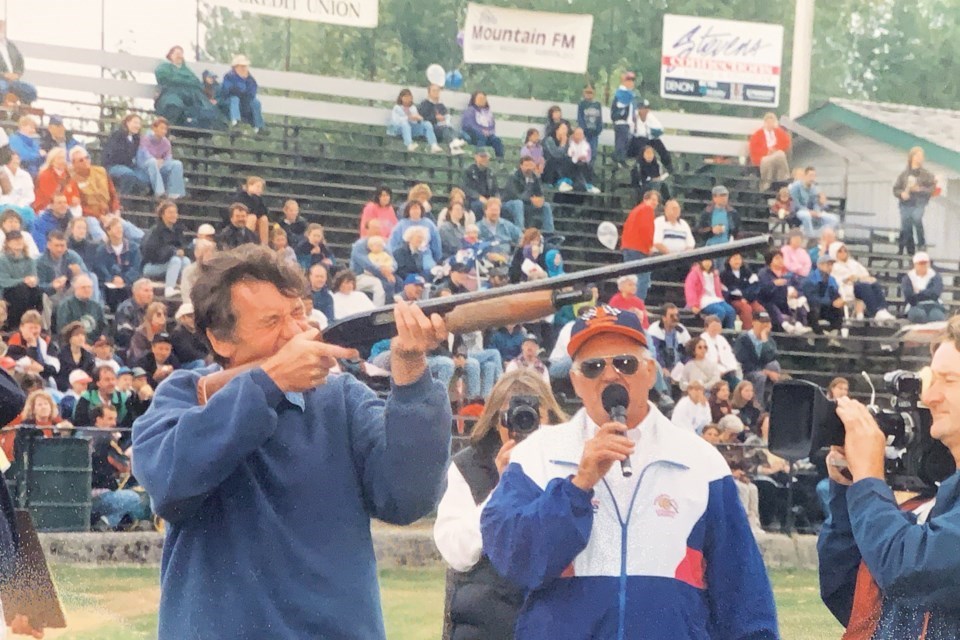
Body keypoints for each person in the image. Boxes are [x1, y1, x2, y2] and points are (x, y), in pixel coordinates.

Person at [131, 243, 451, 638]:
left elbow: (407, 498)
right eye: (271, 322)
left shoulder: (342, 397)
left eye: (297, 313)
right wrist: (268, 384)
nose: (296, 332)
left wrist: (411, 370)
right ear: (219, 340)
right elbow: (167, 482)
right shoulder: (187, 394)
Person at [481, 304, 777, 638]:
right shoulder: (537, 454)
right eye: (593, 367)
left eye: (625, 363)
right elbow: (512, 559)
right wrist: (578, 486)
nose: (610, 375)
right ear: (576, 382)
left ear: (650, 372)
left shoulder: (700, 461)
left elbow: (743, 593)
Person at [819, 316, 960, 638]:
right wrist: (850, 485)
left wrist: (869, 476)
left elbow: (911, 572)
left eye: (949, 381)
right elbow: (847, 594)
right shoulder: (937, 504)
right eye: (932, 380)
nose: (930, 397)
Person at [435, 369, 567, 640]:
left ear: (550, 419)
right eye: (512, 417)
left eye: (531, 417)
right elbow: (456, 552)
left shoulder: (572, 464)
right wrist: (500, 493)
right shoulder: (469, 466)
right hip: (486, 622)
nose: (521, 428)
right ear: (495, 420)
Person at [89, 404, 151, 532]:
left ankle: (117, 523)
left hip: (83, 497)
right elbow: (124, 466)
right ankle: (105, 523)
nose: (114, 423)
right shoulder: (105, 438)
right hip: (98, 497)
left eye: (114, 419)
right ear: (98, 420)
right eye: (109, 419)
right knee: (134, 498)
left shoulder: (83, 434)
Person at [154, 45, 227, 130]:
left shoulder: (187, 70)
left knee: (206, 107)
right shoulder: (164, 66)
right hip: (171, 93)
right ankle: (170, 130)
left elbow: (196, 82)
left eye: (181, 54)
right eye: (177, 53)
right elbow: (165, 79)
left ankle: (206, 133)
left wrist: (182, 80)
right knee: (173, 104)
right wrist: (183, 81)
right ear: (170, 55)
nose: (180, 56)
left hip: (191, 95)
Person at [829, 242, 897, 322]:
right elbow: (848, 278)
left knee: (875, 284)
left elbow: (864, 275)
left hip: (859, 286)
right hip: (846, 289)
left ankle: (882, 310)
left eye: (845, 251)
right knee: (863, 286)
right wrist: (860, 278)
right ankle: (875, 312)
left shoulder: (854, 263)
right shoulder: (835, 266)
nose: (843, 253)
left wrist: (867, 279)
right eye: (840, 251)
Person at [892, 146, 937, 255]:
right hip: (905, 204)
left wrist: (920, 189)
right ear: (912, 157)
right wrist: (901, 194)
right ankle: (910, 251)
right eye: (918, 156)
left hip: (919, 203)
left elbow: (932, 189)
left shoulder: (926, 174)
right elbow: (895, 189)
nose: (920, 158)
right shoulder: (904, 174)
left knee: (917, 218)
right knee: (906, 226)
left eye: (922, 156)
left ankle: (921, 245)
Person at [141, 201, 190, 298]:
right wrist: (173, 252)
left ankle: (186, 288)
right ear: (162, 215)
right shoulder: (155, 231)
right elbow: (151, 253)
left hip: (171, 264)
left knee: (186, 261)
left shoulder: (178, 230)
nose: (173, 215)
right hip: (152, 266)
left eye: (175, 212)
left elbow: (183, 246)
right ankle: (169, 288)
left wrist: (182, 251)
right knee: (175, 260)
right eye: (170, 212)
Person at [733, 312, 781, 407]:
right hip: (749, 371)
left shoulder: (769, 340)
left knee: (774, 365)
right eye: (762, 323)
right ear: (754, 322)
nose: (765, 326)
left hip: (763, 369)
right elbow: (742, 359)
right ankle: (758, 405)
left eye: (767, 323)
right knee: (760, 377)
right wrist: (764, 372)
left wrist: (764, 341)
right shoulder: (744, 338)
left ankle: (774, 400)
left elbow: (772, 357)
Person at [758, 249, 811, 335]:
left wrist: (797, 293)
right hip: (770, 301)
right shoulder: (764, 273)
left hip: (787, 302)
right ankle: (785, 325)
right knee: (771, 305)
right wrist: (774, 284)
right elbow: (764, 290)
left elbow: (799, 288)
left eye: (781, 258)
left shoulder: (788, 274)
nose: (780, 261)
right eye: (777, 258)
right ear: (770, 261)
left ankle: (799, 324)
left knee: (801, 300)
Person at [93, 216, 141, 309]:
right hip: (108, 286)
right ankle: (102, 307)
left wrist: (124, 279)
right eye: (116, 228)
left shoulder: (133, 248)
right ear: (109, 231)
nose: (119, 230)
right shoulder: (101, 250)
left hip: (128, 284)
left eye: (120, 228)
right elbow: (100, 268)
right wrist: (112, 279)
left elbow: (136, 267)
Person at [621, 190, 660, 300]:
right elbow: (646, 230)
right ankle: (638, 303)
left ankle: (627, 301)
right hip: (639, 248)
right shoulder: (647, 210)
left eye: (656, 201)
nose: (655, 203)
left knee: (630, 278)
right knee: (642, 278)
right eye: (653, 200)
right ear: (645, 200)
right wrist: (649, 247)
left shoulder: (635, 210)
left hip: (628, 247)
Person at [0, 231, 41, 330]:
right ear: (8, 243)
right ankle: (15, 325)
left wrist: (33, 281)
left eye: (20, 240)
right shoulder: (2, 260)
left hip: (26, 290)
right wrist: (23, 280)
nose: (18, 242)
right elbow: (4, 281)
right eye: (15, 240)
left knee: (37, 291)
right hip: (7, 292)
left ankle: (34, 323)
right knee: (21, 290)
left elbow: (34, 276)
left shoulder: (29, 260)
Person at [501, 156, 554, 233]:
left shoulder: (535, 177)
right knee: (518, 203)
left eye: (531, 165)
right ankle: (520, 231)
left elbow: (540, 193)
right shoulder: (513, 177)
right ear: (521, 166)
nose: (529, 168)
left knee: (546, 205)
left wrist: (540, 200)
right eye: (526, 165)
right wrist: (531, 199)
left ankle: (549, 232)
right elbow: (516, 196)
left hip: (527, 203)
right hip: (510, 203)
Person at [138, 117, 186, 199]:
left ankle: (174, 193)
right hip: (145, 164)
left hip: (160, 164)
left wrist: (163, 161)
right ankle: (159, 192)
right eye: (161, 128)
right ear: (154, 128)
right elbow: (144, 153)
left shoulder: (166, 142)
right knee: (152, 161)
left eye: (165, 129)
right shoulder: (145, 138)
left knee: (177, 164)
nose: (164, 131)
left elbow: (168, 157)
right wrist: (156, 161)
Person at [72, 365, 134, 429]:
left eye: (113, 379)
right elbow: (80, 424)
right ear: (98, 383)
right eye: (107, 380)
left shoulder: (123, 398)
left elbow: (128, 424)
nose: (111, 383)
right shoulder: (87, 397)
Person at [103, 114, 151, 195]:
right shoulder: (117, 135)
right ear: (127, 123)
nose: (137, 126)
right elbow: (113, 154)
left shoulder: (136, 139)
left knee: (145, 178)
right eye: (135, 123)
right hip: (113, 165)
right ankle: (122, 201)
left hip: (129, 166)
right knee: (129, 175)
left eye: (139, 124)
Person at [788, 167, 841, 239]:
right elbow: (796, 203)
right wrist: (809, 211)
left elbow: (815, 202)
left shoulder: (814, 188)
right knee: (806, 215)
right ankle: (811, 239)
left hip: (812, 212)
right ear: (805, 176)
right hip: (799, 211)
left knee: (834, 219)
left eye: (814, 176)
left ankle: (822, 237)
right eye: (810, 176)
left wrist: (817, 211)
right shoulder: (796, 186)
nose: (812, 178)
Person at [684, 258, 737, 329]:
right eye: (705, 260)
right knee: (720, 311)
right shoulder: (694, 273)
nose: (707, 263)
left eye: (709, 261)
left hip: (716, 298)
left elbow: (717, 289)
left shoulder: (714, 274)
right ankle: (710, 328)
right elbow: (690, 288)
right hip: (703, 299)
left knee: (731, 311)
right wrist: (694, 304)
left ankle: (729, 334)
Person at [803, 253, 845, 339]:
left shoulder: (832, 279)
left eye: (831, 265)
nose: (830, 267)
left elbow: (835, 294)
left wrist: (839, 300)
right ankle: (819, 334)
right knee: (815, 310)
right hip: (813, 309)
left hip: (827, 308)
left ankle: (834, 334)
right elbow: (812, 299)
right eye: (828, 264)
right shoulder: (811, 279)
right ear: (819, 265)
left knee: (839, 310)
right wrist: (831, 303)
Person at [219, 54, 264, 133]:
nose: (244, 68)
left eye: (245, 66)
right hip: (229, 103)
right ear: (235, 67)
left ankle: (259, 128)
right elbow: (226, 90)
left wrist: (246, 94)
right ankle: (235, 122)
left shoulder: (250, 79)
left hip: (244, 104)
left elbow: (252, 90)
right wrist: (235, 91)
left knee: (256, 103)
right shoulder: (229, 76)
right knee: (235, 99)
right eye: (242, 66)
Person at [54, 273, 105, 343]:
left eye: (89, 287)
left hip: (94, 345)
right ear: (75, 289)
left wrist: (102, 339)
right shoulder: (66, 305)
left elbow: (104, 327)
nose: (87, 290)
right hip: (73, 344)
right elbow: (63, 329)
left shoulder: (97, 306)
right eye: (83, 287)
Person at [388, 88, 442, 153]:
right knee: (405, 124)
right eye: (405, 96)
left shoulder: (413, 108)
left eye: (409, 96)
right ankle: (409, 144)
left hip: (411, 130)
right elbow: (395, 121)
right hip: (399, 129)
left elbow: (415, 122)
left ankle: (433, 145)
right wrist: (408, 118)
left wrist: (418, 118)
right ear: (401, 98)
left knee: (427, 124)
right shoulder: (397, 108)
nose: (407, 98)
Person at [749, 112, 791, 192]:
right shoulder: (757, 134)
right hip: (763, 157)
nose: (770, 124)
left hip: (776, 155)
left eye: (772, 122)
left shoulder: (779, 132)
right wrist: (767, 151)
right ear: (765, 123)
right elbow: (753, 149)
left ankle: (776, 183)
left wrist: (775, 149)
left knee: (780, 155)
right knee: (779, 156)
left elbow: (786, 142)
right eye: (768, 122)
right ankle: (783, 179)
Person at [33, 147, 81, 215]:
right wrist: (69, 201)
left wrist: (76, 199)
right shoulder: (45, 175)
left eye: (63, 158)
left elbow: (75, 192)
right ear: (52, 161)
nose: (62, 161)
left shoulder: (69, 174)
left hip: (67, 205)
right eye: (59, 158)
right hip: (47, 206)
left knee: (77, 209)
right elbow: (51, 196)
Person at [647, 303, 692, 377]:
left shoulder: (681, 330)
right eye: (671, 316)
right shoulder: (654, 330)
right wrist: (662, 367)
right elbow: (655, 353)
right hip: (661, 368)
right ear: (664, 318)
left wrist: (687, 367)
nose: (675, 318)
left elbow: (688, 351)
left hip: (679, 368)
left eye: (677, 315)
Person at [419, 83, 465, 153]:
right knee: (445, 129)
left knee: (451, 128)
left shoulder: (441, 105)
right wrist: (435, 118)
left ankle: (455, 147)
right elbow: (423, 118)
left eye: (437, 91)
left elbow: (446, 115)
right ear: (429, 92)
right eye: (434, 91)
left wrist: (445, 118)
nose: (436, 93)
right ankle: (454, 143)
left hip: (443, 127)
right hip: (431, 129)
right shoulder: (425, 104)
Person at [902, 251, 946, 324]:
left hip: (934, 305)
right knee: (919, 316)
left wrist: (919, 292)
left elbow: (935, 294)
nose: (923, 266)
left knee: (937, 317)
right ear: (915, 264)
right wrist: (927, 293)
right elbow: (909, 296)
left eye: (925, 263)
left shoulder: (935, 276)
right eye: (920, 263)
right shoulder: (908, 278)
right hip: (914, 305)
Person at [0, 20, 36, 106]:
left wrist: (17, 74)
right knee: (1, 88)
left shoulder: (10, 45)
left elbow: (20, 62)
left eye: (2, 26)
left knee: (30, 90)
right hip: (1, 79)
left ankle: (23, 111)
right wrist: (4, 75)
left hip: (14, 80)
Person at [701, 314, 742, 388]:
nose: (715, 329)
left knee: (740, 386)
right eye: (713, 327)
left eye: (718, 327)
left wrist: (731, 367)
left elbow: (730, 355)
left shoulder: (721, 339)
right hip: (711, 373)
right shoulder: (702, 340)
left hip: (727, 371)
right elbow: (705, 360)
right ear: (706, 328)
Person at [54, 320, 95, 392]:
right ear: (69, 338)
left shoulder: (88, 357)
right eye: (77, 335)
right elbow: (59, 378)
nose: (80, 337)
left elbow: (91, 377)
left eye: (82, 335)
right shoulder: (60, 356)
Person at [461, 91, 504, 159]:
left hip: (487, 135)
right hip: (473, 134)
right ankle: (481, 157)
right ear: (474, 99)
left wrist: (489, 132)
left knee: (497, 140)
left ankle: (500, 161)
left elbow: (492, 126)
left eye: (483, 98)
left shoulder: (488, 112)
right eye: (479, 98)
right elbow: (469, 124)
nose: (482, 100)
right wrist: (481, 130)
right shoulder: (470, 110)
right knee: (481, 137)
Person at [113, 278, 154, 350]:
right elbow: (124, 333)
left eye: (151, 291)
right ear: (135, 292)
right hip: (128, 348)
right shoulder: (126, 308)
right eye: (146, 291)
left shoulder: (151, 309)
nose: (150, 294)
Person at [634, 99, 673, 174]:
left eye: (646, 108)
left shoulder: (650, 117)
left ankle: (670, 169)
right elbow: (635, 131)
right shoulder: (634, 116)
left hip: (651, 138)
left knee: (663, 151)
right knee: (643, 152)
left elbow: (660, 129)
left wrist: (650, 132)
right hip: (639, 139)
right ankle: (642, 172)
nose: (644, 110)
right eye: (642, 108)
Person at [0, 152, 36, 226]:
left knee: (29, 213)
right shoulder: (1, 174)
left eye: (17, 159)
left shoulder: (25, 175)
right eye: (12, 159)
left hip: (21, 207)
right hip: (3, 206)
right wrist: (10, 206)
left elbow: (29, 196)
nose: (16, 161)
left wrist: (20, 206)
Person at [462, 148, 499, 218]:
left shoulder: (490, 173)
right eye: (482, 156)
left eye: (486, 157)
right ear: (476, 157)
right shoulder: (468, 171)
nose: (485, 159)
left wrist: (496, 199)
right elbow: (465, 188)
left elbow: (495, 189)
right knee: (478, 205)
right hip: (472, 201)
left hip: (489, 200)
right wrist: (478, 197)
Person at [610, 71, 637, 165]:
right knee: (621, 141)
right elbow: (625, 102)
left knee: (625, 141)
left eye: (632, 80)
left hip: (627, 123)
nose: (631, 83)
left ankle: (620, 157)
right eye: (628, 80)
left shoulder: (628, 94)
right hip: (621, 122)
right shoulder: (622, 93)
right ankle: (618, 157)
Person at [576, 85, 603, 165]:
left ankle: (590, 170)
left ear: (594, 93)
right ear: (583, 93)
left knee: (593, 152)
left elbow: (599, 119)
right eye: (587, 92)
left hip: (594, 133)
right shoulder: (582, 104)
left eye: (590, 92)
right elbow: (580, 118)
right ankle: (584, 170)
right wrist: (583, 130)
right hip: (585, 133)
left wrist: (599, 129)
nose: (588, 94)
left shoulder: (597, 105)